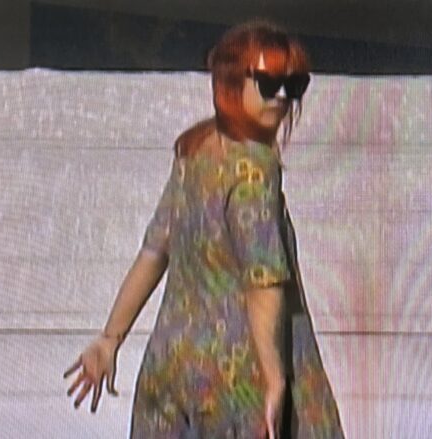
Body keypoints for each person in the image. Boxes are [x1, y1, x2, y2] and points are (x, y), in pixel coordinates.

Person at [63, 20, 346, 438]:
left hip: (170, 365)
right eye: (269, 83)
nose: (284, 98)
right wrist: (275, 381)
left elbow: (154, 250)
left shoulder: (194, 152)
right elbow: (262, 281)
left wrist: (110, 338)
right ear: (230, 82)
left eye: (295, 85)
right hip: (239, 377)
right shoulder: (254, 171)